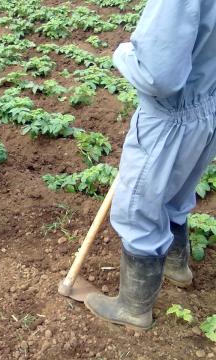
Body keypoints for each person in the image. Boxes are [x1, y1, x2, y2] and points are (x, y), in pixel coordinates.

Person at [84, 0, 216, 329]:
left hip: (171, 116)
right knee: (178, 189)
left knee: (138, 207)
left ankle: (133, 308)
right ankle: (176, 267)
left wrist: (123, 53)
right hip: (208, 103)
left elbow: (158, 75)